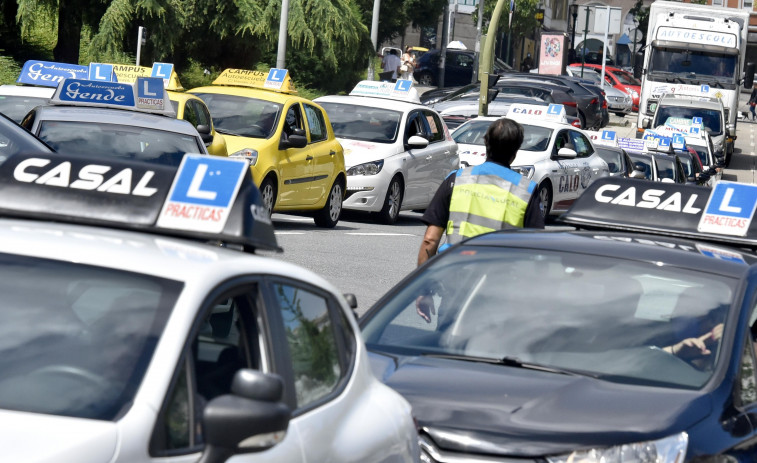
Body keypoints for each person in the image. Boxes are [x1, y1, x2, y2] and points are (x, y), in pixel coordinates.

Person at [415, 118, 545, 322]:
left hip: (455, 283)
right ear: (515, 151)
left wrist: (424, 289)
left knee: (447, 344)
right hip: (500, 291)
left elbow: (430, 241)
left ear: (486, 142)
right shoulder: (526, 190)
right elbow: (536, 254)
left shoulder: (456, 179)